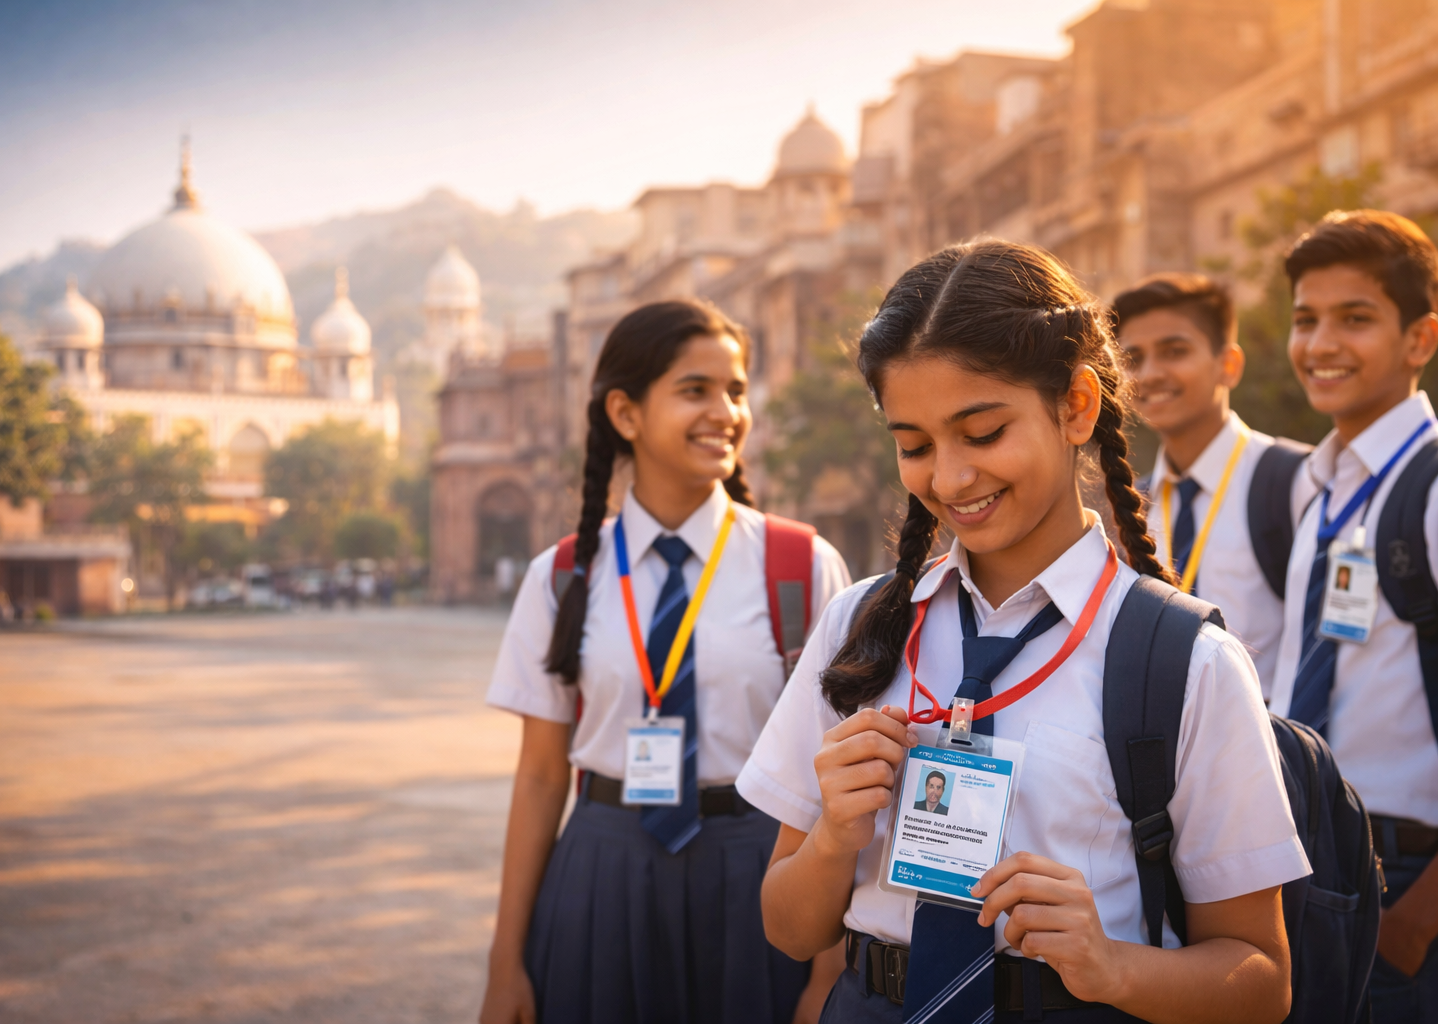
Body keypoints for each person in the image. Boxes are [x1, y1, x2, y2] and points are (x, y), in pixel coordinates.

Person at [738, 240, 1310, 1022]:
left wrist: (1111, 966)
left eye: (981, 433)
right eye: (913, 445)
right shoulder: (863, 627)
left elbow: (1262, 978)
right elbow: (788, 928)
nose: (948, 478)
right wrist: (837, 834)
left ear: (1076, 405)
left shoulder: (1186, 662)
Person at [479, 300, 852, 1024]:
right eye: (695, 390)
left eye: (736, 391)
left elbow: (832, 772)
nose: (725, 412)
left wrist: (829, 968)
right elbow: (539, 775)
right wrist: (504, 963)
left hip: (760, 867)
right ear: (625, 413)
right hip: (603, 869)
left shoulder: (800, 565)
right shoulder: (561, 577)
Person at [1266, 210, 1438, 1022]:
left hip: (1406, 881)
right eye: (1306, 320)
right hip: (1314, 865)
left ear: (1420, 339)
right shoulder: (1321, 487)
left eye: (1355, 318)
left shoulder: (1431, 491)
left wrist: (1414, 923)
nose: (1321, 343)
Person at [1113, 273, 1293, 689]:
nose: (1152, 373)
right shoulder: (1129, 502)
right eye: (1134, 359)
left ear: (1228, 365)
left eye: (1174, 351)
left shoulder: (1292, 478)